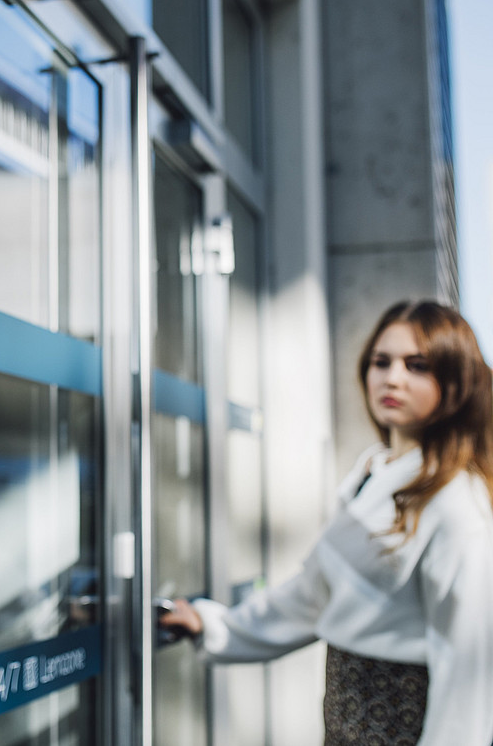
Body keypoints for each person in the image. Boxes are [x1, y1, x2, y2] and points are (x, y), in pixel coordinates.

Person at [160, 300, 493, 745]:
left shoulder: (456, 504)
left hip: (405, 725)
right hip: (345, 715)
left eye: (417, 365)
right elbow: (311, 595)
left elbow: (468, 667)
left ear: (455, 383)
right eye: (381, 362)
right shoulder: (371, 474)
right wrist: (214, 625)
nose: (392, 377)